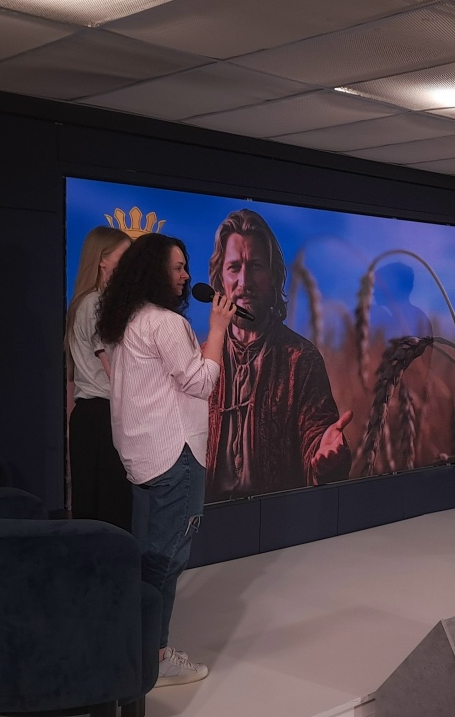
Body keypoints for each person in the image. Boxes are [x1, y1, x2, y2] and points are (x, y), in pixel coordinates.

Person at [97, 233, 235, 687]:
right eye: (177, 267)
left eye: (185, 266)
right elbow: (201, 382)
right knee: (166, 560)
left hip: (143, 456)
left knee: (149, 555)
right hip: (176, 454)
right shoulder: (166, 323)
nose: (186, 276)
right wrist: (218, 329)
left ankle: (134, 647)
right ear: (154, 271)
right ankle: (152, 658)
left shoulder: (125, 320)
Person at [206, 209, 352, 501]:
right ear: (220, 278)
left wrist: (324, 455)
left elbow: (317, 437)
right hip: (208, 515)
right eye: (234, 267)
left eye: (256, 266)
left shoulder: (301, 359)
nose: (244, 281)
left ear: (273, 276)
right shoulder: (201, 360)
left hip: (275, 515)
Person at [65, 226, 131, 529]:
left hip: (96, 416)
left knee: (101, 506)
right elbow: (114, 369)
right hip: (101, 416)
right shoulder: (94, 304)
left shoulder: (92, 302)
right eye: (124, 255)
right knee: (108, 510)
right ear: (102, 259)